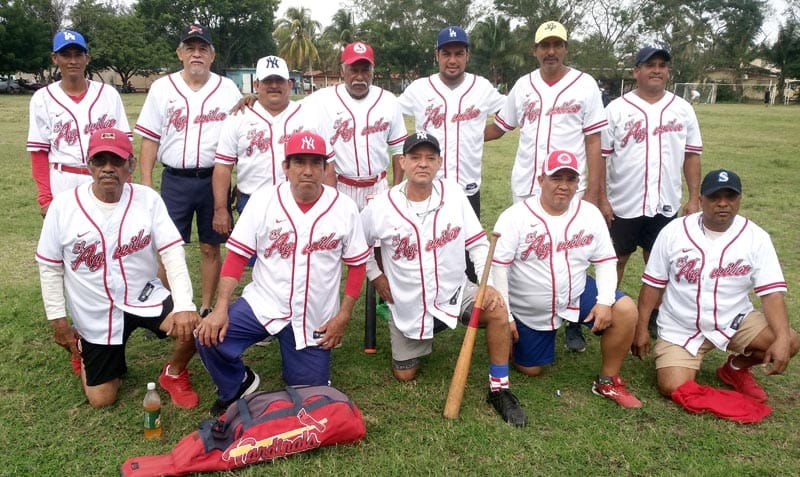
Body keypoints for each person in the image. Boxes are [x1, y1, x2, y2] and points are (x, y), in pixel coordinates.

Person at [195, 131, 368, 417]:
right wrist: (221, 307)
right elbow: (237, 255)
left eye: (316, 163)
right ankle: (237, 385)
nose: (308, 171)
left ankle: (301, 366)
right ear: (285, 167)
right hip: (264, 303)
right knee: (207, 337)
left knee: (311, 398)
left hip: (315, 313)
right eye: (299, 162)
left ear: (325, 168)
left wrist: (343, 316)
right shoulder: (263, 201)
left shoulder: (344, 208)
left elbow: (357, 265)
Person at [361, 132, 527, 427]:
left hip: (454, 290)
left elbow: (477, 244)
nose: (422, 164)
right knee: (404, 375)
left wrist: (486, 285)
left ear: (439, 163)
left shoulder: (453, 195)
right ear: (402, 161)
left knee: (497, 308)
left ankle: (499, 387)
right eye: (415, 157)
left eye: (429, 158)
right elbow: (357, 247)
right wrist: (375, 277)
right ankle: (422, 331)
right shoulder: (382, 205)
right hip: (408, 301)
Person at [35, 128, 201, 408]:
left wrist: (185, 304)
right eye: (100, 161)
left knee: (194, 327)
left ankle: (173, 373)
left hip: (143, 295)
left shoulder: (148, 199)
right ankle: (85, 350)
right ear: (89, 166)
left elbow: (172, 252)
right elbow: (49, 266)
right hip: (94, 308)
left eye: (117, 160)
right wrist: (58, 321)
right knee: (102, 399)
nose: (108, 169)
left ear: (131, 165)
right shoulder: (63, 206)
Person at [633, 169, 800, 422]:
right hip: (681, 326)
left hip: (733, 321)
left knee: (789, 340)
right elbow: (653, 284)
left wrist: (781, 339)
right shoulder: (674, 232)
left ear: (740, 199)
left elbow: (772, 294)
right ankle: (726, 390)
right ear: (701, 200)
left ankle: (735, 369)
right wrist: (641, 327)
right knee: (672, 386)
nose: (723, 203)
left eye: (730, 196)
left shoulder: (756, 238)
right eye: (715, 197)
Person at [484, 20, 608, 352]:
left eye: (557, 44)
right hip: (526, 184)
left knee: (568, 253)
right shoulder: (523, 85)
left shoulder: (585, 85)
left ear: (566, 48)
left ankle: (571, 323)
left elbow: (594, 141)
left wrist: (595, 193)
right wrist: (456, 134)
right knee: (524, 254)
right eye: (545, 45)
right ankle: (518, 316)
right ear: (535, 50)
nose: (551, 51)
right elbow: (500, 126)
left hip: (567, 186)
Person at [491, 150, 642, 409]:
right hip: (529, 306)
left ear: (578, 183)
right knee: (531, 369)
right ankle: (520, 343)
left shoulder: (589, 214)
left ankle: (607, 381)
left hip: (576, 292)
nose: (563, 186)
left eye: (570, 179)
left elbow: (606, 260)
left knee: (625, 309)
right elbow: (498, 269)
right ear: (541, 180)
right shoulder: (515, 217)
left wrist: (605, 301)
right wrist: (506, 318)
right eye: (556, 178)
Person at [135, 24, 242, 318]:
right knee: (168, 247)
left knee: (211, 246)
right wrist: (146, 184)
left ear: (212, 55)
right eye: (191, 48)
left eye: (202, 48)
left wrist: (237, 178)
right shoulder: (161, 88)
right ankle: (169, 307)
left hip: (212, 179)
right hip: (175, 179)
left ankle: (206, 305)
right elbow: (150, 138)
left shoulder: (227, 88)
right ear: (180, 53)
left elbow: (242, 135)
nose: (197, 54)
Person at [601, 47, 702, 335]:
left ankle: (657, 314)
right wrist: (602, 199)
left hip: (665, 201)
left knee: (657, 260)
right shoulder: (617, 109)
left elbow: (692, 155)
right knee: (617, 258)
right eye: (650, 65)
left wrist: (694, 198)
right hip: (624, 200)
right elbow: (601, 157)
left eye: (662, 65)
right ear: (636, 71)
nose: (656, 70)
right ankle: (608, 308)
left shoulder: (682, 109)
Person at [28, 30, 131, 218]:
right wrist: (45, 198)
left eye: (78, 55)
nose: (72, 61)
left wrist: (126, 186)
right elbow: (39, 151)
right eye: (65, 55)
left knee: (107, 238)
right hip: (63, 178)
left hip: (104, 176)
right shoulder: (42, 98)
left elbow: (125, 147)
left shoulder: (108, 94)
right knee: (65, 242)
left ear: (87, 58)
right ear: (55, 58)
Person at [212, 55, 307, 239]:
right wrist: (221, 209)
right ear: (257, 85)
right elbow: (223, 166)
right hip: (252, 201)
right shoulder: (237, 117)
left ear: (289, 84)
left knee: (296, 261)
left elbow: (326, 164)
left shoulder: (306, 114)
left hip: (297, 200)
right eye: (267, 80)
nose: (273, 85)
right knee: (256, 263)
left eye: (279, 80)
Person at [305, 41, 407, 207]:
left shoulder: (388, 100)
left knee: (379, 233)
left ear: (372, 72)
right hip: (341, 187)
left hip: (378, 187)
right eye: (353, 70)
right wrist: (256, 100)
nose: (360, 77)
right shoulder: (321, 99)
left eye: (365, 70)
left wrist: (395, 191)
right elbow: (286, 106)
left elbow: (399, 150)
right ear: (342, 71)